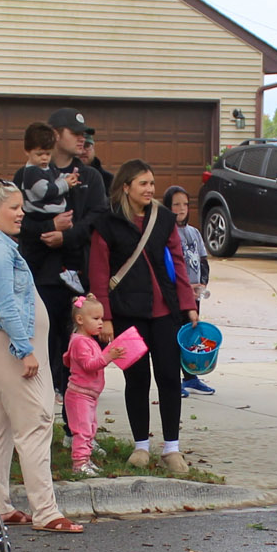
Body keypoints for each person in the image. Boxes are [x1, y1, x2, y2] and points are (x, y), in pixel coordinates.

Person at [0, 177, 73, 531]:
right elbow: (5, 304)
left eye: (21, 207)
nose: (21, 214)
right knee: (35, 422)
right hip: (3, 346)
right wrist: (24, 350)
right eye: (14, 208)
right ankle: (46, 511)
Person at [88, 160, 198, 472]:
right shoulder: (106, 222)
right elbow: (99, 272)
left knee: (168, 377)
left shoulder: (163, 218)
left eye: (152, 183)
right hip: (126, 313)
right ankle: (140, 446)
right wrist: (105, 317)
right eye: (143, 184)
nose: (150, 189)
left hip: (165, 311)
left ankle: (172, 448)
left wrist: (187, 303)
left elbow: (177, 262)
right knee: (136, 379)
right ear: (126, 187)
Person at [15, 113, 97, 401]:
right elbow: (18, 223)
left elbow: (97, 221)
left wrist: (67, 236)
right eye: (74, 132)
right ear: (54, 134)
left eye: (84, 134)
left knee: (78, 346)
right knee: (43, 342)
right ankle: (41, 409)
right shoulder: (26, 175)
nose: (81, 138)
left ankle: (76, 428)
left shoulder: (89, 176)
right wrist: (49, 228)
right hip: (40, 275)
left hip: (78, 278)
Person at [165, 186, 215, 395]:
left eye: (185, 204)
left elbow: (203, 261)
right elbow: (167, 267)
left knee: (191, 336)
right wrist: (184, 287)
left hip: (194, 294)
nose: (181, 208)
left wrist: (202, 284)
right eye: (176, 204)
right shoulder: (166, 233)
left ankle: (191, 376)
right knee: (175, 335)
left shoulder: (193, 232)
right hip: (177, 294)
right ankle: (173, 380)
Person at [62, 296, 120, 476]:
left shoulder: (87, 340)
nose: (101, 323)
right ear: (80, 320)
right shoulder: (80, 341)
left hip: (89, 394)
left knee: (90, 429)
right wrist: (108, 357)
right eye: (95, 319)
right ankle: (79, 464)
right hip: (79, 395)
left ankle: (86, 460)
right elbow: (89, 365)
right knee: (82, 430)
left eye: (101, 318)